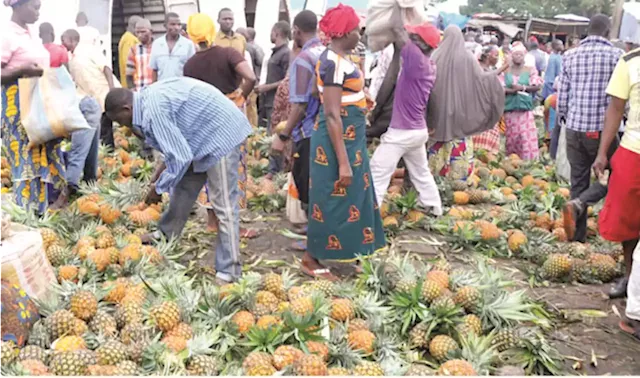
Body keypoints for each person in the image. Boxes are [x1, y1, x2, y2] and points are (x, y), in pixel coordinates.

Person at [104, 78, 253, 284]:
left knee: (223, 205)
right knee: (183, 188)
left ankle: (229, 271)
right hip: (197, 138)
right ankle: (165, 234)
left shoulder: (152, 112)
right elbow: (174, 151)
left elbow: (180, 156)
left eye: (121, 121)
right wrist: (156, 179)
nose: (124, 126)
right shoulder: (145, 102)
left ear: (126, 108)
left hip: (220, 134)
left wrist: (158, 189)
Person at [303, 4, 385, 280]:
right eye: (356, 30)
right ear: (344, 32)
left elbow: (321, 92)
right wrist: (343, 162)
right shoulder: (332, 63)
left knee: (355, 195)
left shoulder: (339, 60)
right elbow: (331, 113)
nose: (359, 35)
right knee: (332, 196)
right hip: (337, 139)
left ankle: (358, 251)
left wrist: (359, 100)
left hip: (352, 136)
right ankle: (311, 258)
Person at [183, 13, 258, 239]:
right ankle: (233, 226)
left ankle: (212, 221)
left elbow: (191, 96)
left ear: (192, 36)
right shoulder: (228, 54)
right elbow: (251, 77)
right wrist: (239, 98)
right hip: (230, 118)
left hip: (205, 119)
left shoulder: (190, 65)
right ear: (211, 31)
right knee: (233, 167)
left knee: (210, 164)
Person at [558, 14, 623, 249]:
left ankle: (578, 238)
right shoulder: (617, 57)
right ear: (607, 32)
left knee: (578, 180)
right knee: (616, 175)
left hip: (574, 128)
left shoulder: (570, 55)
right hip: (601, 131)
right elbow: (620, 99)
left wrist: (565, 119)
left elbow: (562, 98)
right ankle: (581, 202)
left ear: (588, 30)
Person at [369, 22, 442, 216]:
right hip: (418, 130)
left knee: (378, 169)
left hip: (403, 131)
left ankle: (369, 211)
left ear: (423, 45)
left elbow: (398, 32)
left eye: (415, 38)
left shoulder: (416, 60)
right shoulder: (429, 64)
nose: (411, 40)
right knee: (421, 172)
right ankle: (433, 206)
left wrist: (397, 10)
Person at [1, 0, 66, 214]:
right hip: (17, 110)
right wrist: (20, 72)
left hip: (38, 108)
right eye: (34, 7)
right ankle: (26, 217)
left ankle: (41, 213)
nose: (38, 12)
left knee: (41, 160)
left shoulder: (30, 34)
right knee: (25, 162)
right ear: (18, 6)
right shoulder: (7, 35)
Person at [270, 10, 326, 251]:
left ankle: (314, 238)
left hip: (307, 131)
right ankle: (313, 229)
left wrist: (284, 135)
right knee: (317, 181)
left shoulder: (304, 58)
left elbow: (301, 104)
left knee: (306, 182)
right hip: (324, 128)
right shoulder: (324, 51)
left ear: (296, 30)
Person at [427, 25, 504, 182]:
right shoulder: (467, 58)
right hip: (461, 112)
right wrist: (497, 72)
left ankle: (434, 180)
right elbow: (481, 80)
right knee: (459, 140)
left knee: (436, 143)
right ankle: (458, 181)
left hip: (438, 112)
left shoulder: (435, 56)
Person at [594, 46, 640, 310]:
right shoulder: (630, 62)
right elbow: (615, 109)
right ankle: (630, 275)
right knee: (628, 223)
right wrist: (602, 152)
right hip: (634, 150)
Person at [62, 29, 117, 150]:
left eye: (63, 40)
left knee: (105, 130)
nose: (62, 44)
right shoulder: (72, 59)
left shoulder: (88, 50)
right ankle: (102, 158)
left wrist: (112, 88)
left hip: (103, 94)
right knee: (96, 131)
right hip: (91, 100)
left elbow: (106, 68)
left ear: (72, 40)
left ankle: (110, 157)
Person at [256, 21, 291, 179]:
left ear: (276, 32)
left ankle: (276, 171)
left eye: (271, 32)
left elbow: (287, 79)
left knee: (277, 136)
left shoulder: (285, 54)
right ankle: (274, 169)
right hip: (270, 102)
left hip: (278, 102)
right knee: (271, 135)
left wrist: (267, 87)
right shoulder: (276, 52)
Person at [500, 42, 542, 161]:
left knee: (526, 139)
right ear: (511, 56)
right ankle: (513, 163)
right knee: (512, 140)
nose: (518, 56)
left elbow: (536, 86)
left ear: (524, 56)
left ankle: (529, 163)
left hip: (525, 112)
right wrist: (510, 90)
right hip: (510, 111)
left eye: (521, 54)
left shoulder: (530, 69)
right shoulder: (506, 70)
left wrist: (522, 88)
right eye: (516, 54)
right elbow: (499, 87)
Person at [473, 45, 508, 155]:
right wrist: (504, 66)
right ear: (488, 56)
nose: (497, 58)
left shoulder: (490, 69)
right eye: (496, 55)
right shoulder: (478, 67)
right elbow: (485, 77)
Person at [150, 13, 196, 82]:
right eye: (173, 24)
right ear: (165, 26)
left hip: (182, 88)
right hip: (162, 88)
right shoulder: (157, 44)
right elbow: (154, 70)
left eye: (179, 24)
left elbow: (193, 70)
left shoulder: (188, 44)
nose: (177, 27)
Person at [237, 27, 265, 127]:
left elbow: (250, 73)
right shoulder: (254, 48)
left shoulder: (248, 51)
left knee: (250, 109)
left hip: (249, 86)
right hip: (249, 85)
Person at [126, 18, 154, 92]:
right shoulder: (134, 50)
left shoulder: (159, 47)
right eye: (137, 32)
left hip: (156, 91)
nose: (140, 35)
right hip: (140, 91)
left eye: (143, 32)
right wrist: (132, 89)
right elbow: (129, 74)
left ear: (151, 32)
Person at [118, 15, 142, 88]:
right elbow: (127, 62)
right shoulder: (129, 39)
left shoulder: (129, 38)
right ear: (134, 26)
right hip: (131, 84)